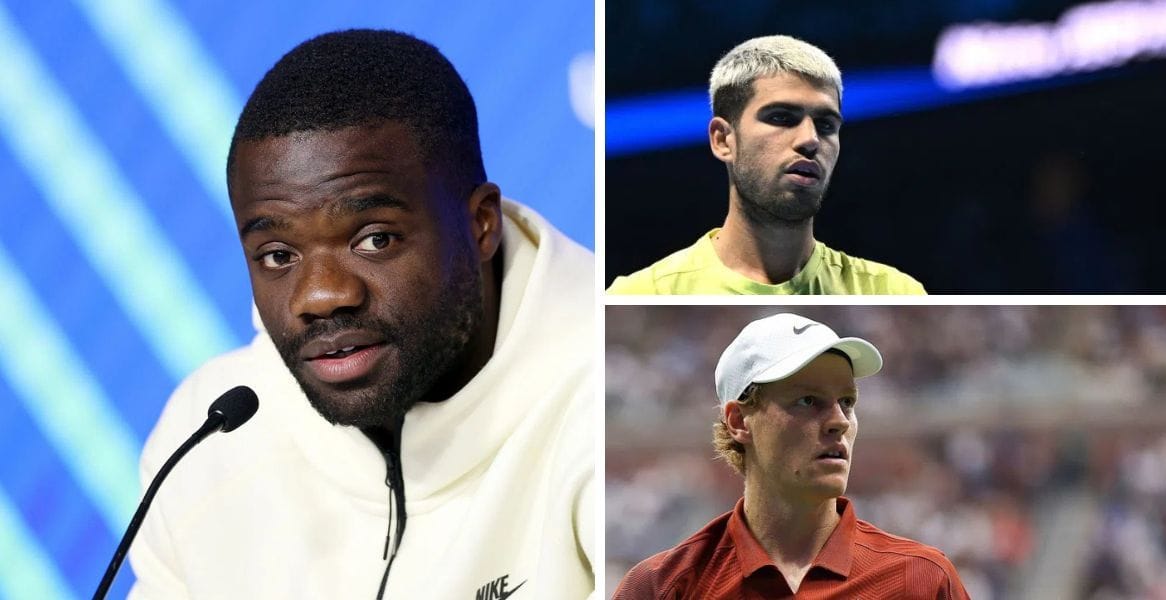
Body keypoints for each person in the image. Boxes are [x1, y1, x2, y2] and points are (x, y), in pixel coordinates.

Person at [128, 30, 595, 599]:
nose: (321, 296)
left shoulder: (595, 403)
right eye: (278, 256)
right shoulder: (206, 440)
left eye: (374, 240)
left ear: (480, 226)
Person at [612, 313, 968, 599]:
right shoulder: (662, 587)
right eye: (807, 401)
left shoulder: (920, 580)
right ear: (739, 421)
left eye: (847, 402)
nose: (839, 422)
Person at [607, 36, 925, 295]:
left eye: (827, 125)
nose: (810, 140)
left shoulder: (895, 291)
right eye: (781, 118)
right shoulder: (644, 293)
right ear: (723, 139)